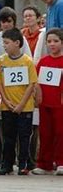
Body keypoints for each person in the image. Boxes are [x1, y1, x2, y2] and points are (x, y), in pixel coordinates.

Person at [0, 28, 37, 175]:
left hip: (25, 107)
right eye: (3, 43)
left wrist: (21, 104)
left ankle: (23, 164)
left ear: (17, 43)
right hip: (7, 106)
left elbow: (31, 84)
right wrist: (6, 100)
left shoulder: (27, 61)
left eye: (7, 43)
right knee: (8, 137)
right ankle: (6, 164)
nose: (4, 46)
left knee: (24, 137)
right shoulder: (1, 61)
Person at [32, 28, 63, 175]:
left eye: (56, 41)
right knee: (45, 133)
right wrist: (37, 97)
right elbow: (37, 82)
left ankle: (60, 162)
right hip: (45, 103)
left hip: (60, 104)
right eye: (49, 41)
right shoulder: (43, 61)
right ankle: (45, 163)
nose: (52, 44)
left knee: (60, 133)